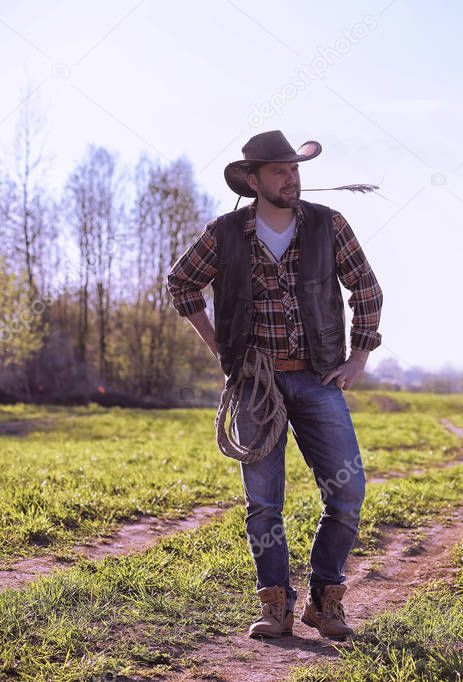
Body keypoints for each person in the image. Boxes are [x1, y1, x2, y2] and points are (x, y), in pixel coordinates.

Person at [166, 130, 383, 640]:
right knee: (264, 504)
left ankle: (326, 600)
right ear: (253, 179)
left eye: (296, 170)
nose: (293, 179)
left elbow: (366, 288)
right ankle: (276, 606)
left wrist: (358, 357)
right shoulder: (224, 233)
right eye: (281, 171)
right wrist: (218, 344)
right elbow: (181, 282)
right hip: (255, 384)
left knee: (348, 492)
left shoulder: (330, 226)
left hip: (318, 377)